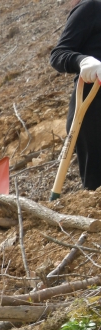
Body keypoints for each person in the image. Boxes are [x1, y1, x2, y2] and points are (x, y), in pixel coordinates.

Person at [51, 0, 101, 191]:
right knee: (96, 189)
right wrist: (83, 60)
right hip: (92, 109)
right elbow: (58, 54)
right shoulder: (92, 8)